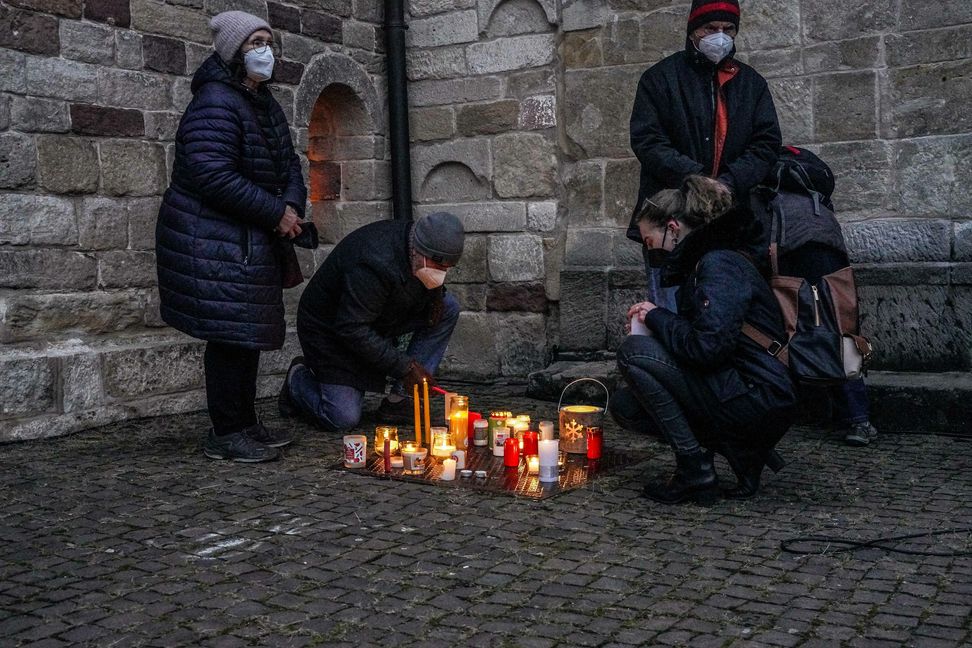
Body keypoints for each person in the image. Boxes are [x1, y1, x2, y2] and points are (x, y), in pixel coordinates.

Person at [156, 11, 308, 463]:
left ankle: (244, 423)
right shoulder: (216, 102)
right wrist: (273, 212)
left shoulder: (262, 101)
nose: (266, 51)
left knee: (247, 331)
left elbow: (289, 164)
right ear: (234, 52)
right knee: (229, 335)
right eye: (255, 42)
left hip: (248, 236)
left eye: (268, 41)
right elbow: (210, 173)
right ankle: (226, 432)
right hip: (215, 240)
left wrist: (293, 207)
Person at [611, 176, 796, 504]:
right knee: (628, 406)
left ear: (672, 227)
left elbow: (707, 348)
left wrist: (657, 317)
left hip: (757, 395)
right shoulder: (709, 261)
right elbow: (709, 336)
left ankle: (695, 469)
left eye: (650, 242)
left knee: (632, 352)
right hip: (741, 386)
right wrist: (658, 326)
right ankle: (738, 449)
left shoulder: (718, 265)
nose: (650, 253)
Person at [628, 0, 781, 311]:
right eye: (710, 28)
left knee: (723, 309)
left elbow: (766, 144)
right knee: (668, 307)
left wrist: (729, 182)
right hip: (670, 218)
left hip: (734, 220)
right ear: (692, 31)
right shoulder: (659, 79)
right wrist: (697, 179)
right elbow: (648, 141)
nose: (720, 36)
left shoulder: (751, 84)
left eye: (728, 29)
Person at [277, 212, 464, 432]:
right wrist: (406, 367)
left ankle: (401, 400)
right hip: (330, 330)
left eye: (446, 269)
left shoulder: (419, 250)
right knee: (342, 417)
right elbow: (352, 328)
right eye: (437, 266)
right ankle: (297, 379)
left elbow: (428, 281)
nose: (440, 274)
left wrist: (435, 297)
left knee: (448, 307)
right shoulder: (373, 263)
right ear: (417, 251)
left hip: (380, 315)